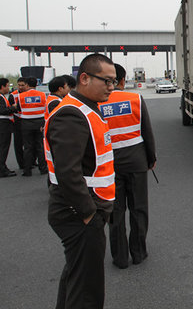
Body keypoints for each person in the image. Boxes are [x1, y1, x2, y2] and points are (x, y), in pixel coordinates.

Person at [45, 53, 117, 308]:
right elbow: (68, 172)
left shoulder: (86, 109)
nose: (112, 87)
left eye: (114, 81)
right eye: (107, 81)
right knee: (87, 290)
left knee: (77, 277)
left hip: (85, 208)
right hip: (79, 212)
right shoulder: (72, 114)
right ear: (84, 78)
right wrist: (89, 214)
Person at [99, 64, 156, 269]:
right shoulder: (135, 99)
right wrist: (151, 158)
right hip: (136, 161)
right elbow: (146, 132)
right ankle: (138, 252)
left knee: (115, 211)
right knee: (139, 208)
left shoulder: (97, 104)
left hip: (108, 165)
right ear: (123, 80)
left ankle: (120, 257)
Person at [17, 77, 47, 177]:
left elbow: (18, 108)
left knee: (28, 147)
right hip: (39, 122)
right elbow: (45, 108)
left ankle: (27, 170)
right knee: (40, 146)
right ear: (36, 84)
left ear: (27, 85)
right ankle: (43, 168)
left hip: (26, 123)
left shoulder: (21, 96)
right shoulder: (42, 95)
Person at [0, 78, 18, 178]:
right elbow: (2, 110)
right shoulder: (0, 97)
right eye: (7, 86)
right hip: (3, 125)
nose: (8, 88)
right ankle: (2, 169)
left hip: (4, 125)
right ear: (2, 86)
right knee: (3, 147)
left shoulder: (2, 97)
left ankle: (3, 167)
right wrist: (13, 108)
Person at [9, 77, 27, 170]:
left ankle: (31, 161)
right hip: (17, 120)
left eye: (22, 85)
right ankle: (21, 163)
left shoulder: (29, 94)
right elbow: (12, 108)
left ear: (26, 85)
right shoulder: (13, 95)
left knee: (29, 143)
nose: (20, 87)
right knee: (18, 143)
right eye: (19, 85)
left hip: (27, 119)